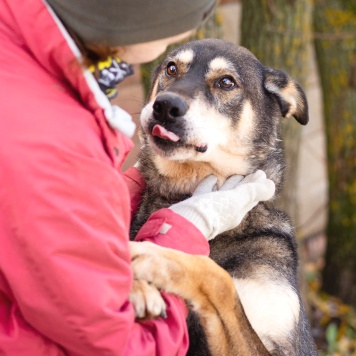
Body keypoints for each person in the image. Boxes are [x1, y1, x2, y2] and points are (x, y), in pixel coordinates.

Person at [0, 0, 275, 355]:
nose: (174, 97)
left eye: (223, 83)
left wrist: (124, 192)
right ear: (137, 19)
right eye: (172, 67)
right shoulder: (53, 141)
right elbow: (123, 346)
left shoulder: (25, 62)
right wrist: (183, 231)